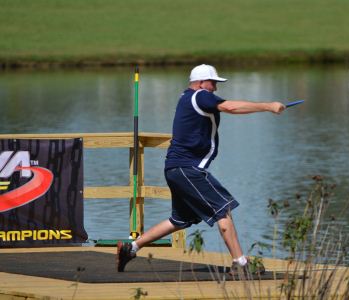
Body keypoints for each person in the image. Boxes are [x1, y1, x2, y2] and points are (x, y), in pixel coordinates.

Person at [117, 64, 285, 274]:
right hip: (188, 170)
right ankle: (240, 263)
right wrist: (268, 106)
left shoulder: (186, 97)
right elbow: (231, 107)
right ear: (200, 82)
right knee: (223, 209)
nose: (215, 88)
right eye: (212, 82)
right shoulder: (200, 96)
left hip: (175, 169)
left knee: (179, 220)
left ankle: (131, 248)